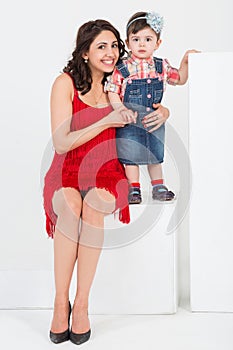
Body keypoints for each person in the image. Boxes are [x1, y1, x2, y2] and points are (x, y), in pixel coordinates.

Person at [43, 19, 170, 345]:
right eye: (102, 46)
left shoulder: (123, 81)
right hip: (67, 168)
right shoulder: (65, 83)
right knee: (71, 208)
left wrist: (164, 110)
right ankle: (61, 303)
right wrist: (108, 121)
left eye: (115, 45)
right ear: (85, 52)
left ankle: (82, 304)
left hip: (108, 170)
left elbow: (152, 97)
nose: (111, 52)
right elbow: (60, 143)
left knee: (94, 205)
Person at [105, 11, 199, 204]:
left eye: (148, 39)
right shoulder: (122, 67)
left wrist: (186, 62)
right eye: (136, 39)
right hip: (129, 120)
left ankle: (158, 185)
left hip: (153, 119)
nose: (141, 44)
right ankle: (134, 188)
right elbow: (112, 90)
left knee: (154, 155)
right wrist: (120, 109)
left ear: (157, 43)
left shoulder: (161, 66)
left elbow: (180, 79)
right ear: (128, 42)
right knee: (130, 157)